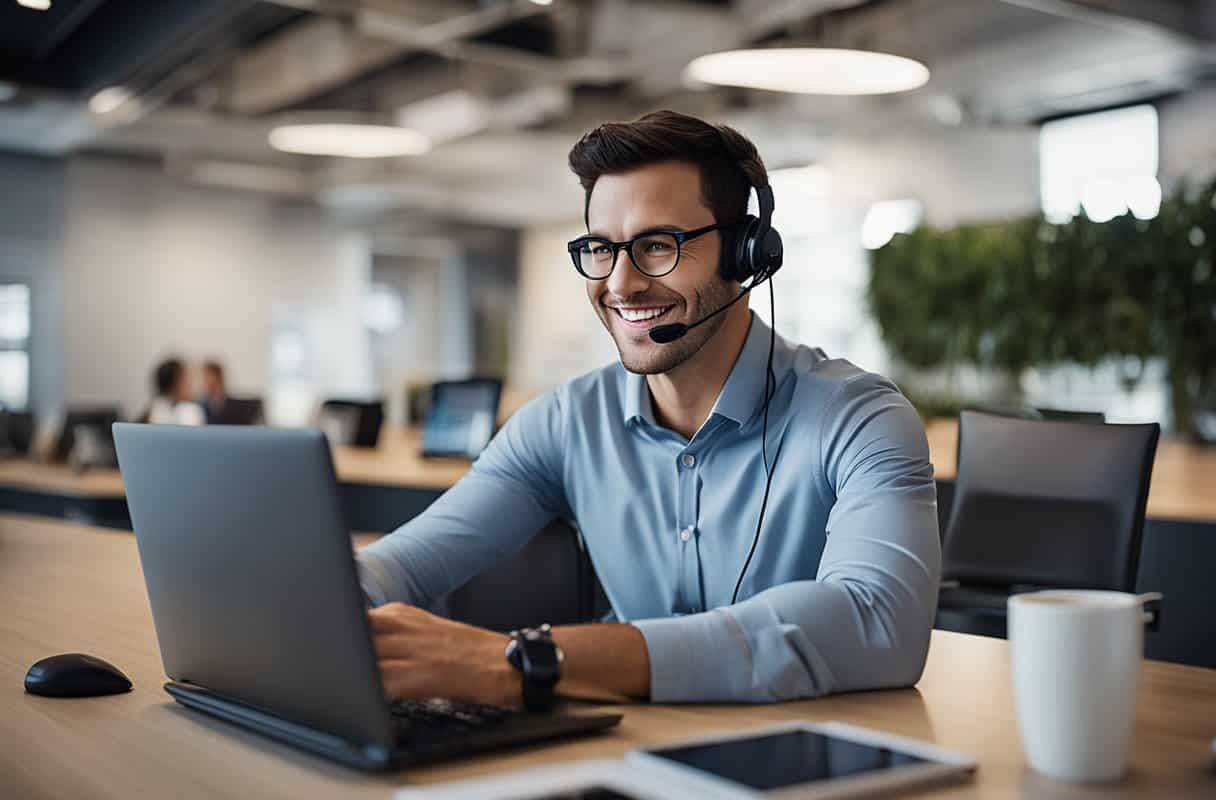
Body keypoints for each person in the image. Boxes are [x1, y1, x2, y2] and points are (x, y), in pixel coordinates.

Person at [358, 110, 941, 706]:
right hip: (627, 752)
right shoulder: (566, 422)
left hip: (815, 766)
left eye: (658, 246)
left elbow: (880, 621)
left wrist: (527, 661)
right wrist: (324, 601)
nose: (621, 283)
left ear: (745, 253)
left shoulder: (859, 419)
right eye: (601, 249)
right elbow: (400, 567)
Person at [145, 358, 205, 427]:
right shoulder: (191, 411)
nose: (190, 384)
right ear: (174, 385)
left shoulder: (154, 409)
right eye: (186, 379)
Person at [200, 360, 231, 425]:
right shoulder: (201, 404)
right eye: (204, 376)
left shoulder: (230, 404)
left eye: (208, 376)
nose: (205, 380)